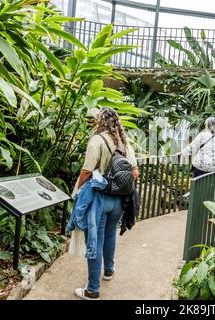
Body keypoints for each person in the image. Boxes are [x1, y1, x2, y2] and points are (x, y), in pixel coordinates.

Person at [71, 107, 139, 300]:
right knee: (110, 234)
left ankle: (92, 290)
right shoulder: (124, 143)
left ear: (100, 121)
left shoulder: (97, 140)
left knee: (95, 240)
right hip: (119, 200)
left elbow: (86, 172)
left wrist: (77, 191)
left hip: (99, 199)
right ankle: (108, 271)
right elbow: (135, 173)